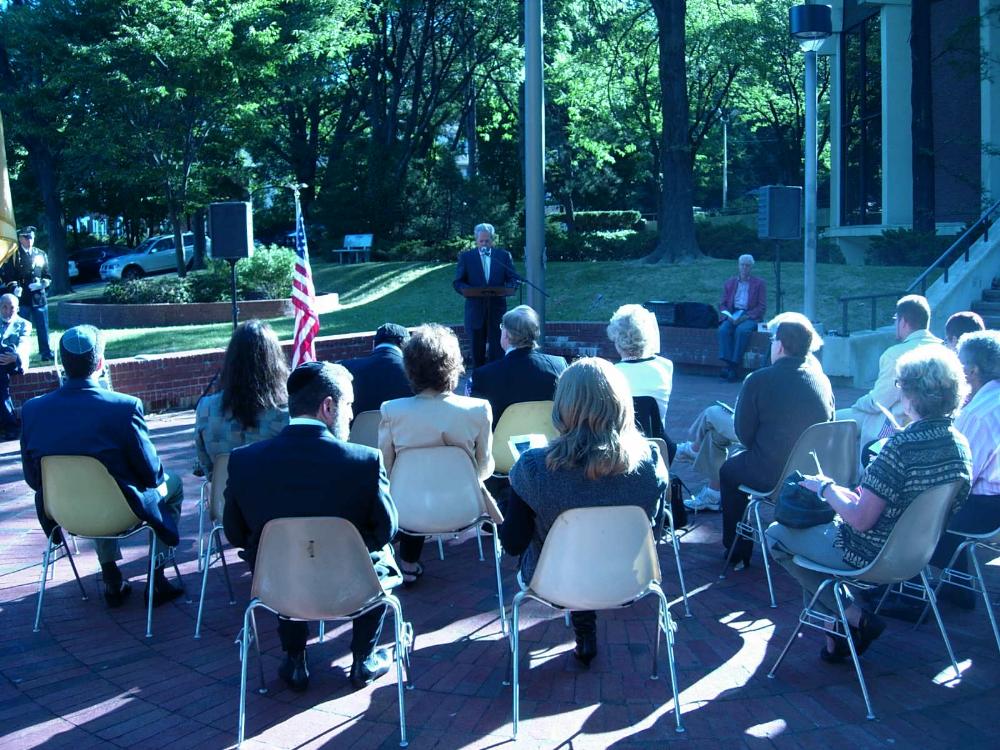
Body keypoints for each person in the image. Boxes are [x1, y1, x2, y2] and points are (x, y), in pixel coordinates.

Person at [766, 346, 972, 663]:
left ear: (910, 394)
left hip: (868, 553)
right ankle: (837, 639)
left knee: (777, 536)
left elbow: (860, 520)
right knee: (814, 549)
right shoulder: (960, 445)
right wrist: (841, 492)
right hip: (918, 556)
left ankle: (854, 616)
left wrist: (825, 488)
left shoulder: (901, 446)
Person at [223, 362, 399, 693]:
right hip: (353, 584)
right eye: (348, 405)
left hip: (280, 587)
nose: (350, 415)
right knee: (381, 556)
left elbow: (234, 532)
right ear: (328, 407)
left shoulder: (245, 461)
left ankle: (294, 659)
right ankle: (364, 657)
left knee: (277, 558)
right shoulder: (365, 461)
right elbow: (386, 530)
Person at [498, 358, 668, 667]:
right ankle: (584, 628)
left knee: (570, 545)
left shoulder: (534, 468)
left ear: (563, 405)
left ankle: (584, 627)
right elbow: (650, 530)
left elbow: (512, 544)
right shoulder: (650, 462)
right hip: (629, 579)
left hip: (556, 581)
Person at [20, 325, 184, 607]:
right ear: (100, 363)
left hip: (65, 513)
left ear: (63, 363)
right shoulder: (124, 407)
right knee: (174, 485)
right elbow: (151, 473)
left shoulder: (33, 409)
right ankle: (157, 577)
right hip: (121, 511)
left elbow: (33, 479)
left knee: (102, 485)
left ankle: (111, 577)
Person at [379, 324, 494, 584]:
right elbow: (484, 467)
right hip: (465, 507)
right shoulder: (478, 409)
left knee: (412, 485)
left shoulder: (391, 411)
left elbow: (386, 469)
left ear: (410, 367)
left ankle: (407, 563)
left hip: (408, 510)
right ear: (454, 365)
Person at [720, 312, 834, 566]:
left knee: (729, 471)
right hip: (812, 473)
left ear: (780, 345)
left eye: (773, 340)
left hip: (772, 472)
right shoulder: (822, 381)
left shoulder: (759, 379)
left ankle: (737, 551)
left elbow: (743, 434)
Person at [929, 330, 1000, 608]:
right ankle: (955, 585)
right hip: (990, 503)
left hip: (983, 508)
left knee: (908, 503)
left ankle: (905, 588)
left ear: (971, 371)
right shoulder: (983, 404)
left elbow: (957, 476)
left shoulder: (979, 413)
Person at [836, 294, 942, 447]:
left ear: (903, 321)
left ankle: (852, 469)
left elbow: (879, 401)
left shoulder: (895, 354)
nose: (894, 325)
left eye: (895, 320)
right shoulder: (945, 350)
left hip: (897, 423)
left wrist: (858, 404)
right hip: (935, 423)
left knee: (834, 419)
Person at [194, 320, 289, 479]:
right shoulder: (288, 413)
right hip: (277, 499)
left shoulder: (206, 407)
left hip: (225, 500)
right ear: (275, 361)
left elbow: (205, 464)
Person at [469, 305, 566, 428]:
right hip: (549, 443)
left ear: (507, 334)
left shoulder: (484, 376)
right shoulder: (559, 366)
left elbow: (476, 422)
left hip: (499, 445)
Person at [453, 223, 518, 368]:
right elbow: (458, 282)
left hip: (497, 311)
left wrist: (511, 286)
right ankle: (477, 382)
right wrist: (467, 290)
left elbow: (513, 278)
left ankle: (497, 381)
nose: (484, 244)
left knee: (498, 349)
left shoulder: (503, 256)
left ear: (492, 240)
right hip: (475, 311)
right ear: (476, 240)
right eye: (481, 241)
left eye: (487, 241)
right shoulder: (467, 257)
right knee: (477, 352)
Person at [1, 227, 53, 361]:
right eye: (27, 238)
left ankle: (46, 353)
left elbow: (47, 275)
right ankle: (22, 355)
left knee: (43, 327)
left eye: (32, 237)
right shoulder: (13, 255)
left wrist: (41, 284)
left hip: (38, 297)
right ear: (20, 239)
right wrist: (14, 288)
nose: (30, 240)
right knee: (21, 330)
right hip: (22, 299)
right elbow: (7, 276)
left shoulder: (40, 254)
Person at [340, 323, 413, 415]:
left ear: (374, 344)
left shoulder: (345, 368)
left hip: (358, 428)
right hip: (401, 427)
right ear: (405, 344)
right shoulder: (414, 371)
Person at [717, 254, 766, 382]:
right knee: (723, 330)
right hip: (733, 313)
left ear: (751, 267)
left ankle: (732, 366)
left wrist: (745, 317)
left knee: (742, 331)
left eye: (747, 265)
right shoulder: (730, 283)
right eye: (742, 265)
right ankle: (730, 365)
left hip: (750, 315)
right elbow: (722, 304)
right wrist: (728, 315)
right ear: (738, 266)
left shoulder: (759, 283)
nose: (744, 267)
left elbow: (761, 307)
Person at [0, 293, 32, 439]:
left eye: (11, 308)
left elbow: (24, 343)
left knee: (9, 349)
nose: (7, 311)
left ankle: (11, 426)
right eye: (4, 307)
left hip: (14, 363)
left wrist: (16, 356)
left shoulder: (24, 324)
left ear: (17, 308)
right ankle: (10, 424)